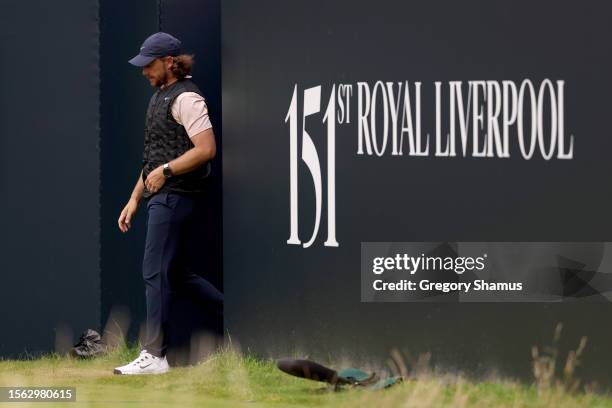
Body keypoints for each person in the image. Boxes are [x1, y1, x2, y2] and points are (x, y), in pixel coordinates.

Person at [114, 32, 223, 375]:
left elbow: (206, 150)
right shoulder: (159, 96)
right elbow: (154, 158)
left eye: (149, 64)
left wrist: (165, 172)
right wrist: (134, 198)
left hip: (176, 197)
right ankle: (238, 317)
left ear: (169, 62)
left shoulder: (187, 98)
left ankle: (155, 355)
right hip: (161, 194)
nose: (144, 70)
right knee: (175, 273)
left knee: (154, 270)